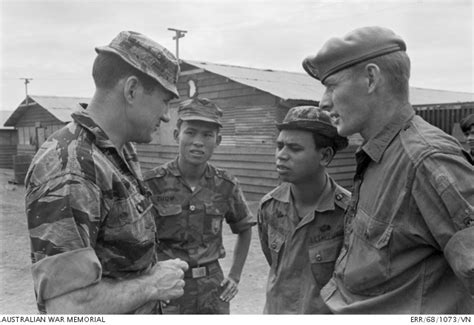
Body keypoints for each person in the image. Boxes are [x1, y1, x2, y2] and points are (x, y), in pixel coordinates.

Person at [302, 26, 474, 313]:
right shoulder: (380, 153)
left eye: (332, 86)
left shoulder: (426, 160)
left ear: (371, 78)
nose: (323, 101)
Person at [25, 31, 189, 314]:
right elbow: (67, 309)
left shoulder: (117, 151)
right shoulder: (72, 167)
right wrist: (152, 284)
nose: (165, 115)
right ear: (132, 90)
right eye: (165, 101)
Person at [143, 97, 255, 314]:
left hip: (212, 289)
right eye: (191, 132)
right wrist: (149, 281)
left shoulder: (226, 184)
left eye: (207, 135)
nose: (198, 141)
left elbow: (244, 228)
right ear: (177, 135)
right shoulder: (151, 183)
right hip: (168, 287)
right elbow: (137, 239)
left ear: (218, 140)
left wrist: (235, 276)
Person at [257, 106, 350, 314]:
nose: (281, 155)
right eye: (279, 146)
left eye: (294, 148)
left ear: (325, 156)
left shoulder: (348, 213)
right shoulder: (269, 207)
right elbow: (275, 266)